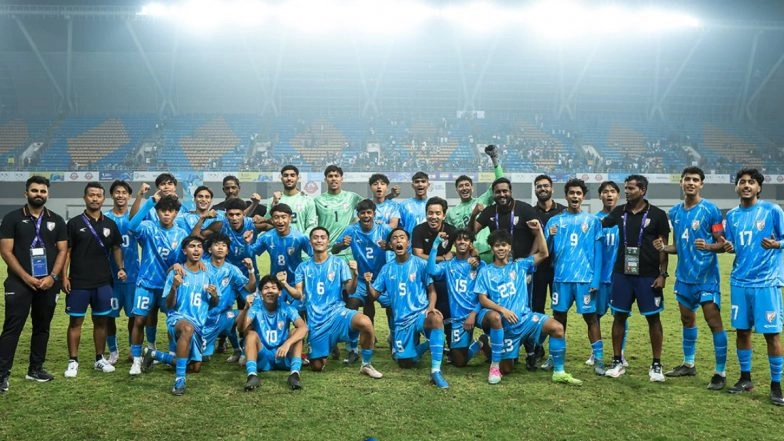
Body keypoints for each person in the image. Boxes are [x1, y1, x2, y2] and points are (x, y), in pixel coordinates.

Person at [475, 226, 582, 385]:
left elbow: (544, 253)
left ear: (509, 247)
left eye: (504, 245)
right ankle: (490, 352)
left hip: (525, 320)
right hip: (505, 326)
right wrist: (503, 310)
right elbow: (482, 299)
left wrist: (538, 231)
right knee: (507, 369)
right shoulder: (486, 271)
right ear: (492, 249)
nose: (501, 248)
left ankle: (559, 372)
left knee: (557, 328)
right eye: (497, 245)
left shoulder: (520, 265)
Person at [654, 166, 728, 390]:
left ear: (701, 184)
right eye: (687, 179)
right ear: (681, 183)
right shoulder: (675, 212)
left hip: (706, 279)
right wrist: (663, 248)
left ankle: (720, 372)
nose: (691, 183)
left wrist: (709, 246)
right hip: (684, 278)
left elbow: (722, 244)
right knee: (687, 320)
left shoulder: (711, 210)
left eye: (696, 180)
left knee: (714, 323)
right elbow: (678, 245)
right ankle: (689, 364)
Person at [279, 227, 382, 379]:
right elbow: (298, 294)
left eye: (322, 237)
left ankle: (366, 364)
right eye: (315, 237)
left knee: (365, 322)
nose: (319, 240)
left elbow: (350, 290)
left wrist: (355, 274)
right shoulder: (303, 267)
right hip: (317, 322)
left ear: (328, 241)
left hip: (337, 314)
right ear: (310, 242)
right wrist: (284, 284)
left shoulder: (339, 263)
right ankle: (327, 346)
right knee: (316, 366)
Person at [721, 168, 784, 405]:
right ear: (736, 187)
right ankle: (745, 378)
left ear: (759, 187)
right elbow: (733, 244)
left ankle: (776, 386)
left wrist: (777, 244)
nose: (746, 185)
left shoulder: (772, 210)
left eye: (751, 182)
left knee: (772, 334)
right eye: (742, 182)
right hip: (739, 281)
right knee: (742, 331)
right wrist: (728, 247)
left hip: (766, 282)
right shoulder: (732, 215)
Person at [600, 175, 670, 382]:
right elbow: (601, 224)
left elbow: (663, 247)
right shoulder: (619, 212)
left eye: (631, 188)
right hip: (622, 274)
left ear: (643, 190)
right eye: (626, 188)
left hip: (648, 275)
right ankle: (617, 362)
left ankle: (656, 365)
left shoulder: (657, 215)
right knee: (619, 317)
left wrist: (662, 274)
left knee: (653, 319)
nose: (627, 192)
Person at [0, 176, 67, 392]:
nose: (39, 194)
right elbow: (6, 251)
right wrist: (26, 277)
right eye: (35, 190)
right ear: (26, 193)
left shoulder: (57, 220)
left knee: (42, 327)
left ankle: (35, 369)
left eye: (43, 191)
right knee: (12, 328)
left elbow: (63, 250)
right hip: (19, 283)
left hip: (48, 283)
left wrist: (53, 277)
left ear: (48, 194)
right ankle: (2, 374)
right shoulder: (12, 218)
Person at [366, 228, 449, 389]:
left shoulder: (420, 264)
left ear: (408, 243)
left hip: (420, 314)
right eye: (395, 238)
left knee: (436, 319)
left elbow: (432, 290)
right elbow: (375, 294)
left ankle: (435, 371)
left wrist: (431, 307)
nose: (398, 240)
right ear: (391, 244)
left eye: (402, 237)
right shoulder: (387, 269)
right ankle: (429, 344)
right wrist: (368, 282)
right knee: (405, 362)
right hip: (402, 321)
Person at [62, 182, 126, 378]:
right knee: (76, 322)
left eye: (98, 195)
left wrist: (121, 268)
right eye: (91, 195)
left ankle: (99, 358)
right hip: (79, 282)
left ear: (103, 199)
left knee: (101, 321)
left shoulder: (110, 224)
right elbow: (67, 252)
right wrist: (64, 276)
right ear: (85, 198)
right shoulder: (74, 223)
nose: (95, 198)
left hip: (103, 282)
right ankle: (73, 361)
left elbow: (116, 247)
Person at [127, 186, 190, 375]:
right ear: (157, 212)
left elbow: (184, 260)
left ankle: (171, 354)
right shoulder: (149, 227)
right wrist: (150, 202)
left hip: (169, 286)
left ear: (176, 213)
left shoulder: (181, 234)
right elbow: (131, 226)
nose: (166, 214)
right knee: (139, 320)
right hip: (146, 283)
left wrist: (179, 264)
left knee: (172, 322)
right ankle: (137, 360)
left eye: (170, 211)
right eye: (163, 210)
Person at [544, 179, 604, 375]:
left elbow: (598, 253)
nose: (575, 196)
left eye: (578, 193)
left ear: (583, 196)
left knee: (591, 318)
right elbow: (545, 251)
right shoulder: (554, 222)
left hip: (584, 279)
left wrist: (595, 279)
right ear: (566, 196)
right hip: (561, 278)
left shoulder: (593, 221)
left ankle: (599, 359)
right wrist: (549, 235)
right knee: (559, 318)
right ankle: (554, 357)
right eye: (572, 193)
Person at [146, 236, 217, 396]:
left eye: (199, 246)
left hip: (199, 325)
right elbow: (169, 305)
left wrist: (214, 295)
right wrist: (174, 287)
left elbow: (214, 303)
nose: (196, 249)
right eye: (192, 246)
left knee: (195, 367)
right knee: (187, 328)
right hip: (177, 320)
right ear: (185, 251)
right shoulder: (176, 273)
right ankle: (180, 380)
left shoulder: (208, 273)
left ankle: (155, 354)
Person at [331, 199, 392, 362]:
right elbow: (334, 249)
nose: (366, 216)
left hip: (381, 279)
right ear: (358, 215)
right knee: (351, 304)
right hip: (361, 278)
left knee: (392, 307)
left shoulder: (384, 229)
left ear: (374, 214)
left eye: (369, 212)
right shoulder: (351, 230)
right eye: (362, 213)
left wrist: (389, 246)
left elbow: (402, 244)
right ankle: (352, 348)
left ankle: (394, 340)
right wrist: (341, 244)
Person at [426, 230, 492, 375]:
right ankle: (481, 343)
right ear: (454, 243)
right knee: (459, 361)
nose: (462, 242)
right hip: (459, 318)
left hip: (479, 311)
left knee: (494, 318)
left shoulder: (480, 265)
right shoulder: (448, 265)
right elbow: (431, 270)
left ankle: (501, 350)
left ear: (471, 244)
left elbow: (486, 293)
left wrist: (473, 314)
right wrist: (435, 245)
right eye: (459, 239)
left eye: (466, 239)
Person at [238, 275, 308, 391]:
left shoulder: (286, 308)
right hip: (263, 355)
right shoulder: (255, 307)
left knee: (296, 332)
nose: (270, 291)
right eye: (266, 288)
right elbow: (241, 329)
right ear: (260, 293)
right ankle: (252, 375)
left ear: (280, 293)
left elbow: (304, 328)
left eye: (274, 288)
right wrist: (245, 309)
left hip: (282, 354)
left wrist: (287, 344)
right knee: (251, 334)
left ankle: (295, 374)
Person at [588, 181, 628, 367]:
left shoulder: (626, 219)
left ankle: (620, 353)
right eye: (605, 192)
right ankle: (595, 352)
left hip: (620, 277)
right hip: (600, 277)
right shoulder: (595, 221)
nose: (609, 195)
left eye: (613, 191)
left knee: (621, 316)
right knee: (595, 315)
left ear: (618, 195)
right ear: (600, 196)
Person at [245, 203, 312, 314]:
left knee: (300, 314)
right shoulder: (266, 237)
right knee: (276, 314)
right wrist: (247, 243)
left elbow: (314, 255)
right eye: (276, 217)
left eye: (283, 217)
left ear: (290, 218)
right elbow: (252, 252)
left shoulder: (300, 237)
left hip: (296, 283)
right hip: (276, 284)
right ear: (272, 220)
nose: (280, 221)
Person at [199, 233, 256, 359]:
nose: (220, 248)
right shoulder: (201, 266)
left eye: (224, 245)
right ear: (209, 249)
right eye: (216, 245)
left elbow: (250, 288)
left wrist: (251, 270)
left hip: (224, 313)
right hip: (203, 316)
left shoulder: (232, 270)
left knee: (247, 315)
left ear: (227, 251)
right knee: (198, 358)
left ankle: (241, 349)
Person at [445, 145, 504, 263]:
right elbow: (451, 236)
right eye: (461, 186)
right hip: (465, 255)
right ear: (457, 190)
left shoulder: (482, 200)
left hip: (487, 252)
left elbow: (500, 182)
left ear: (472, 188)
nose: (464, 188)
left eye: (467, 185)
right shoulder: (451, 213)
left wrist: (494, 160)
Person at [412, 197, 456, 351]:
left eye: (438, 213)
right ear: (426, 214)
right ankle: (421, 342)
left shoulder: (452, 231)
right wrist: (442, 258)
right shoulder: (419, 230)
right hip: (423, 276)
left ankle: (450, 345)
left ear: (444, 215)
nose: (433, 217)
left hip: (444, 279)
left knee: (447, 310)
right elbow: (418, 254)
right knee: (424, 312)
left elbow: (456, 252)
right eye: (430, 213)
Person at [104, 180, 140, 365]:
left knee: (133, 315)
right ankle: (113, 351)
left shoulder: (134, 217)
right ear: (112, 195)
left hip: (133, 275)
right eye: (117, 192)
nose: (120, 195)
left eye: (124, 192)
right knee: (109, 316)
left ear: (129, 196)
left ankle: (132, 349)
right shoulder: (105, 218)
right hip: (109, 277)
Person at [267, 165, 318, 235]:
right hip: (278, 241)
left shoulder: (307, 200)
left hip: (300, 241)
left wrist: (301, 239)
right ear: (281, 178)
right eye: (286, 175)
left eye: (292, 175)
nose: (289, 178)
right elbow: (267, 223)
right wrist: (274, 205)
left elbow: (312, 226)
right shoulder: (273, 200)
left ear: (297, 178)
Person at [398, 172, 430, 238]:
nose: (420, 184)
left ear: (428, 184)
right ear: (412, 185)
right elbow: (399, 228)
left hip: (429, 243)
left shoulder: (433, 204)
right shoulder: (404, 205)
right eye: (417, 182)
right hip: (409, 243)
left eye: (423, 181)